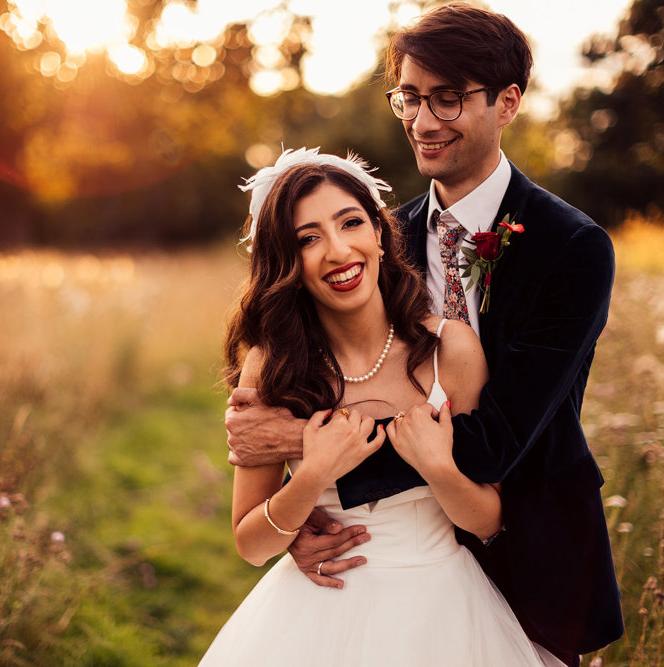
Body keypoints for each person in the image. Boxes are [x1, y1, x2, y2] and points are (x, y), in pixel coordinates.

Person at [224, 4, 624, 665]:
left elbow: (496, 440)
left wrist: (303, 439)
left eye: (448, 98)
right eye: (410, 97)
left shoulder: (572, 247)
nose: (423, 120)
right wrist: (296, 513)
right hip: (367, 565)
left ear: (508, 102)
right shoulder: (376, 235)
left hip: (524, 549)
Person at [200, 147, 562, 666]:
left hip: (443, 608)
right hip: (316, 612)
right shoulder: (273, 367)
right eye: (308, 238)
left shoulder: (450, 350)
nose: (338, 250)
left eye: (350, 223)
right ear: (287, 262)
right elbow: (251, 545)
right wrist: (310, 477)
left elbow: (488, 520)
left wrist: (440, 468)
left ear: (378, 232)